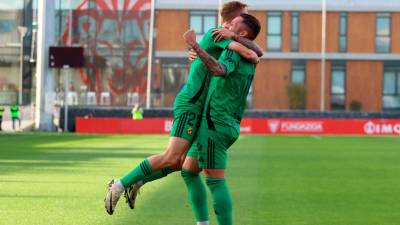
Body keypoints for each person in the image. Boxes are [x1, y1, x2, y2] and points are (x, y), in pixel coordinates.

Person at [104, 1, 263, 218]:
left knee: (186, 168)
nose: (236, 25)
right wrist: (202, 46)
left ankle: (139, 181)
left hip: (206, 112)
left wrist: (243, 47)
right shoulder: (217, 34)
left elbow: (255, 50)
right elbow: (248, 51)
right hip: (193, 104)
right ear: (229, 20)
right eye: (241, 16)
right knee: (173, 157)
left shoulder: (229, 38)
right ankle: (120, 184)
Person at [181, 13, 261, 225]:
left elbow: (218, 69)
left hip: (215, 121)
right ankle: (202, 223)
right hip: (229, 122)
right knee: (188, 171)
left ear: (242, 33)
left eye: (232, 24)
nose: (225, 26)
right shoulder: (250, 54)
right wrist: (199, 53)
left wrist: (196, 47)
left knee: (215, 180)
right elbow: (255, 53)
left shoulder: (234, 53)